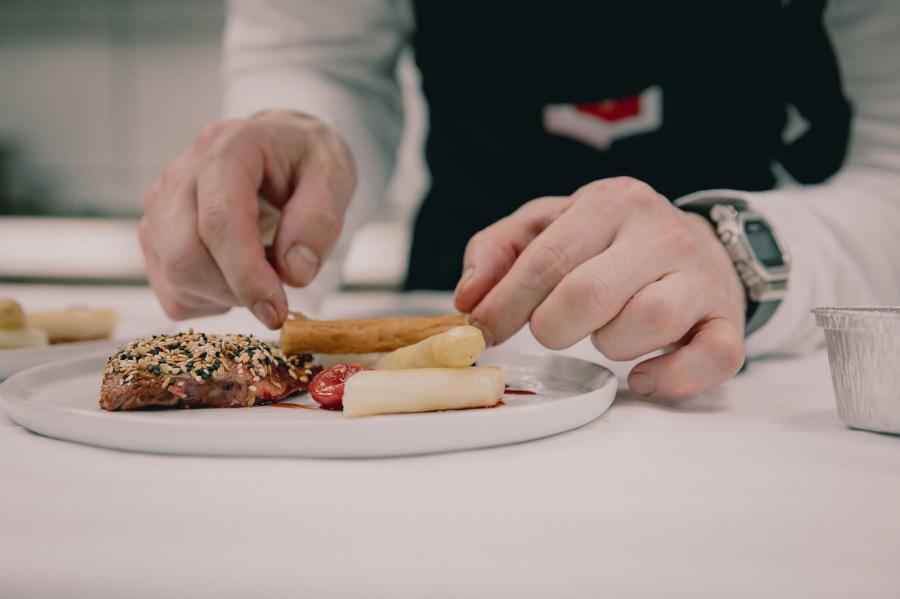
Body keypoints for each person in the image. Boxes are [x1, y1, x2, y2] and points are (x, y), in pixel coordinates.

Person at [138, 0, 900, 398]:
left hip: (755, 353)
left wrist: (740, 251)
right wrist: (299, 136)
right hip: (457, 295)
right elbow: (322, 53)